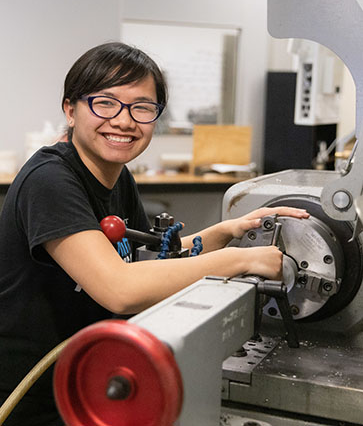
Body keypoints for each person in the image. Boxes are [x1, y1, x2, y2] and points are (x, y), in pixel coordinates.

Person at [0, 42, 309, 426]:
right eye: (105, 103)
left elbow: (153, 260)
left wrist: (231, 230)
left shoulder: (116, 176)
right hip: (33, 401)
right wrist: (240, 259)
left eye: (141, 108)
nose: (124, 121)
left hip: (94, 378)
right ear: (70, 109)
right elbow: (120, 288)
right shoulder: (49, 180)